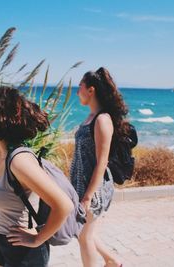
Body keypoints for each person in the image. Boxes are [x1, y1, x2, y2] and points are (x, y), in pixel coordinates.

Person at [0, 86, 74, 267]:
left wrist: (37, 239)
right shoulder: (2, 158)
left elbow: (64, 205)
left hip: (25, 253)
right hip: (1, 241)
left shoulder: (19, 161)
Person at [71, 67, 129, 267]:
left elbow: (101, 162)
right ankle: (112, 261)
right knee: (84, 232)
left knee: (83, 236)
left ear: (91, 90)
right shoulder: (90, 117)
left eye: (80, 87)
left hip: (94, 188)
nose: (77, 92)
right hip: (82, 183)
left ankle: (111, 261)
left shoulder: (102, 120)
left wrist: (87, 196)